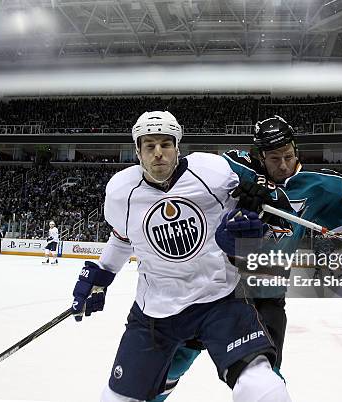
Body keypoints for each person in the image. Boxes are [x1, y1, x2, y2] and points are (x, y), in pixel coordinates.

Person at [152, 115, 342, 401]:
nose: (284, 164)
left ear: (296, 150)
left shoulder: (324, 187)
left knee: (265, 375)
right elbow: (193, 175)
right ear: (260, 156)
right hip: (214, 291)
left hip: (267, 296)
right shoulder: (236, 170)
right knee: (171, 365)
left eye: (288, 156)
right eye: (275, 158)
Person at [70, 111, 291, 402]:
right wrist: (102, 274)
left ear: (178, 146)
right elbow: (123, 238)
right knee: (116, 399)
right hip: (155, 311)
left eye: (166, 144)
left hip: (219, 298)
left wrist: (248, 223)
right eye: (149, 145)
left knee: (260, 385)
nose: (158, 153)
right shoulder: (121, 192)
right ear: (137, 150)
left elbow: (251, 215)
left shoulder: (211, 172)